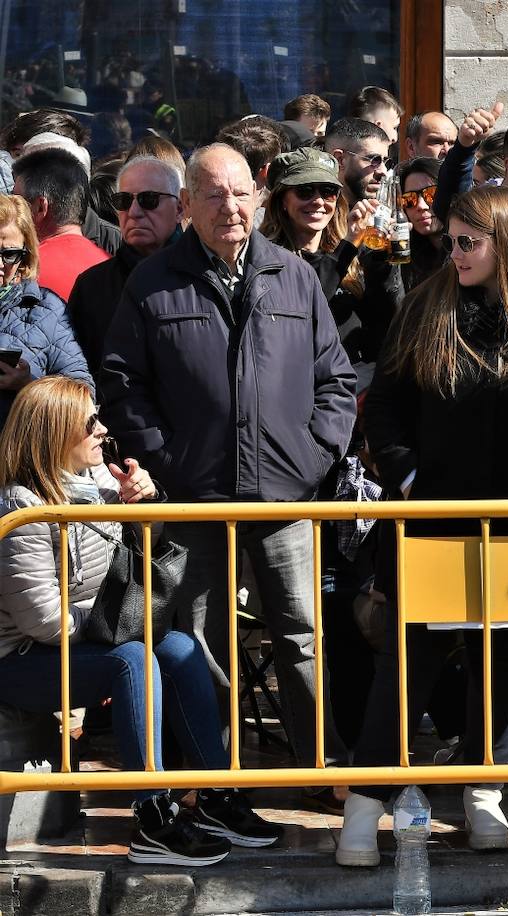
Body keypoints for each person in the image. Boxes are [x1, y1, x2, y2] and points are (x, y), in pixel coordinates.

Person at [337, 185, 508, 865]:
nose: (455, 253)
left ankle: (485, 793)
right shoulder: (426, 306)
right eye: (450, 239)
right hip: (434, 521)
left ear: (505, 241)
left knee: (503, 657)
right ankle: (364, 806)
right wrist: (412, 477)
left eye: (468, 240)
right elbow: (383, 407)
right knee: (410, 661)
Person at [100, 144, 356, 785]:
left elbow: (336, 381)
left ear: (260, 198)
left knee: (300, 639)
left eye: (241, 193)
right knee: (203, 644)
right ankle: (218, 777)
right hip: (196, 498)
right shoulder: (153, 282)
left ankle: (321, 770)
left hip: (285, 498)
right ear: (187, 206)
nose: (230, 208)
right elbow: (123, 385)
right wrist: (166, 460)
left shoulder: (294, 275)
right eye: (213, 195)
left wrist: (313, 457)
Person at [0, 376, 282, 865]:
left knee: (176, 646)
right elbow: (43, 622)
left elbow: (138, 567)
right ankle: (152, 818)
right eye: (90, 422)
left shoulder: (103, 485)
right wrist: (115, 629)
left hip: (82, 639)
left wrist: (146, 507)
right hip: (21, 660)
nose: (103, 429)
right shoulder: (20, 506)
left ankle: (213, 793)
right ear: (54, 430)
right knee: (133, 657)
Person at [259, 147, 403, 365]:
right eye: (305, 191)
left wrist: (381, 256)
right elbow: (305, 305)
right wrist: (349, 245)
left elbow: (385, 315)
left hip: (358, 382)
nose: (318, 201)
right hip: (306, 385)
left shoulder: (349, 250)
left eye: (327, 191)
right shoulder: (266, 256)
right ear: (282, 201)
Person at [67, 156, 184, 371]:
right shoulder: (92, 286)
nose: (134, 212)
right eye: (123, 201)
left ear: (179, 209)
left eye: (149, 200)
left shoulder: (205, 277)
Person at [0, 194, 91, 429]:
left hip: (18, 456)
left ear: (25, 256)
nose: (0, 264)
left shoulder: (46, 309)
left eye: (9, 254)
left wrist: (28, 384)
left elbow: (83, 396)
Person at [11, 148, 111, 300]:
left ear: (40, 208)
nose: (13, 209)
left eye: (17, 201)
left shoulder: (23, 271)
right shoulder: (115, 271)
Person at [396, 156, 446, 290]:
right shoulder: (403, 262)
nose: (421, 206)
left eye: (432, 194)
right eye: (409, 199)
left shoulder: (469, 254)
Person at [325, 118, 393, 203]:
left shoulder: (385, 212)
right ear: (340, 160)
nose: (383, 172)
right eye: (374, 160)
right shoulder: (316, 211)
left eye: (386, 162)